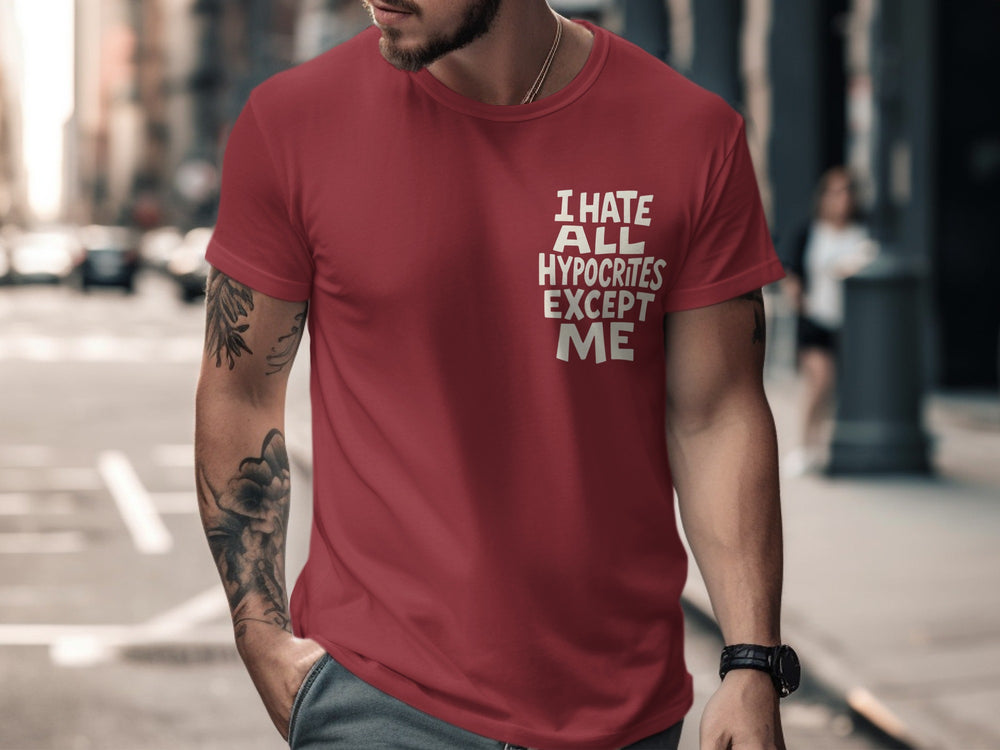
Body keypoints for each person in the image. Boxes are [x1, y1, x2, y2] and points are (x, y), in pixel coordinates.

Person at [194, 1, 797, 748]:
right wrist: (263, 642)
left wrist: (751, 663)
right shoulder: (292, 123)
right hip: (377, 700)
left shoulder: (690, 134)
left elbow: (717, 414)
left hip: (623, 715)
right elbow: (243, 389)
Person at [780, 167, 871, 476]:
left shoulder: (863, 235)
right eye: (834, 192)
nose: (841, 199)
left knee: (839, 389)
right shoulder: (811, 231)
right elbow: (789, 268)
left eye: (846, 191)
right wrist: (797, 297)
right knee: (820, 381)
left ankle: (826, 445)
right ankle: (805, 446)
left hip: (851, 325)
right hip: (815, 318)